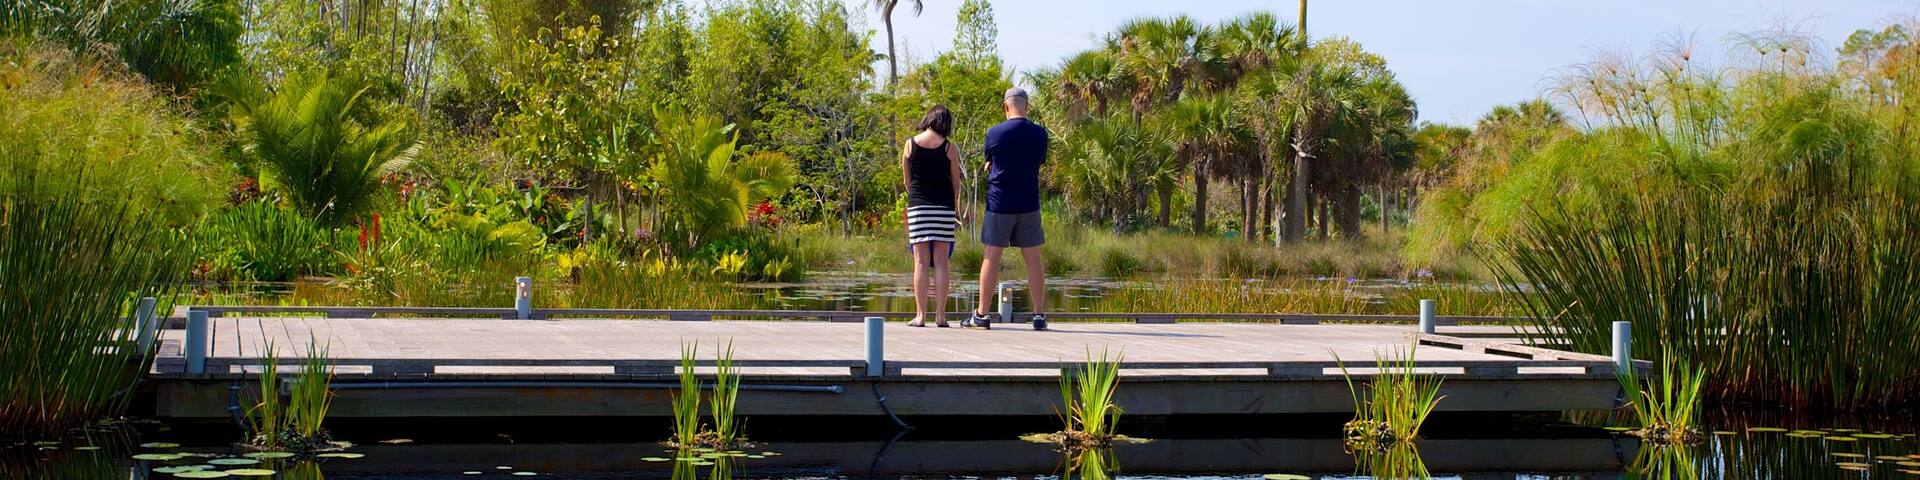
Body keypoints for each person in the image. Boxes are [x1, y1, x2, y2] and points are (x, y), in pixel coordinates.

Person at [969, 87, 1050, 331]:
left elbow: (990, 160)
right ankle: (1038, 315)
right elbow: (1037, 163)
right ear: (1027, 105)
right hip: (1029, 203)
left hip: (1000, 203)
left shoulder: (994, 133)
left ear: (1006, 106)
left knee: (991, 258)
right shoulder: (1040, 134)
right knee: (1033, 259)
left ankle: (982, 314)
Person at [902, 106, 965, 328]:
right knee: (941, 263)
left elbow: (907, 182)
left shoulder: (910, 144)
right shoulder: (949, 148)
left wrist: (917, 199)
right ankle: (940, 315)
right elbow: (956, 182)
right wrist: (954, 205)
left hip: (918, 206)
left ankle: (920, 315)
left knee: (919, 262)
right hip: (943, 207)